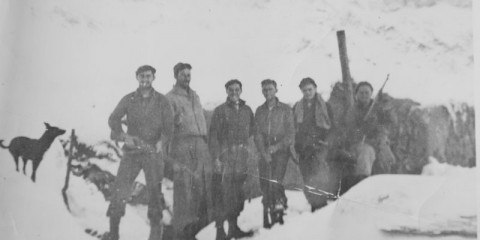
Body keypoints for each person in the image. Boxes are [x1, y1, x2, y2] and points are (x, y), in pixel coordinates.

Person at [106, 65, 174, 240]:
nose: (145, 79)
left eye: (148, 76)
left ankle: (155, 236)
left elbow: (169, 127)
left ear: (153, 78)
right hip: (132, 152)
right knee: (120, 190)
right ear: (137, 77)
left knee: (155, 194)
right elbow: (113, 119)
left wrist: (162, 141)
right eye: (142, 76)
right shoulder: (129, 99)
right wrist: (123, 136)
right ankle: (113, 234)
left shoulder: (161, 101)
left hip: (153, 152)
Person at [166, 62, 214, 240]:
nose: (187, 77)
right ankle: (182, 234)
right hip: (183, 145)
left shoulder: (195, 96)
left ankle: (202, 232)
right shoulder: (170, 98)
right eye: (183, 74)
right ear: (176, 76)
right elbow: (167, 128)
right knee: (185, 190)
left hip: (201, 145)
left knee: (204, 188)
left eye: (189, 74)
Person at [208, 79, 255, 240]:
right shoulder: (220, 111)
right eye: (231, 90)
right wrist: (216, 158)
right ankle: (220, 232)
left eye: (237, 89)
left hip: (241, 158)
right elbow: (213, 137)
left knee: (237, 194)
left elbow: (251, 133)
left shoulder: (247, 110)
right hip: (225, 158)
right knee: (223, 195)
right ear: (226, 92)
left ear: (241, 90)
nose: (234, 92)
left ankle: (233, 229)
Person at [253, 79, 295, 228]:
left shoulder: (285, 109)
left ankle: (279, 208)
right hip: (264, 152)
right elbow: (256, 133)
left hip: (281, 151)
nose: (267, 92)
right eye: (264, 90)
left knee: (276, 180)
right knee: (264, 183)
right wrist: (263, 151)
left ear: (276, 90)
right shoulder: (259, 110)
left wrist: (276, 148)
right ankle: (268, 209)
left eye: (270, 89)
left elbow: (290, 134)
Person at [292, 77, 334, 212]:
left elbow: (333, 127)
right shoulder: (297, 107)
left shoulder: (325, 106)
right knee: (307, 176)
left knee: (319, 176)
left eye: (310, 89)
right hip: (304, 148)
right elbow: (293, 128)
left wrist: (326, 142)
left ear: (315, 89)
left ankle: (321, 206)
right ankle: (313, 204)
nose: (308, 93)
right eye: (305, 90)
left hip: (320, 147)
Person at [344, 81, 396, 181]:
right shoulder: (352, 110)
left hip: (377, 141)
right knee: (365, 155)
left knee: (389, 159)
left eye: (367, 93)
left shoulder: (377, 107)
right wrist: (362, 129)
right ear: (356, 95)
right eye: (361, 93)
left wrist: (380, 131)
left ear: (371, 94)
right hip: (361, 143)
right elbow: (350, 132)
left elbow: (388, 124)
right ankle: (362, 182)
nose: (364, 95)